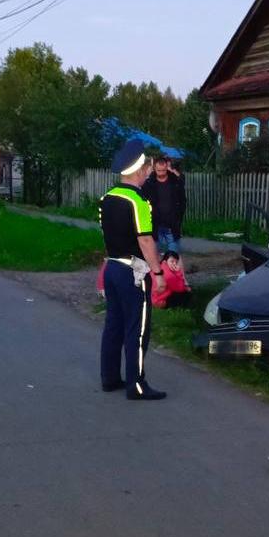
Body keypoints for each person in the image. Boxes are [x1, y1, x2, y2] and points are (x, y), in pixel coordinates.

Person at [99, 140, 168, 401]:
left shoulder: (108, 198)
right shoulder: (138, 200)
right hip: (133, 271)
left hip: (112, 267)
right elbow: (145, 240)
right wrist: (158, 273)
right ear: (138, 170)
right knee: (137, 329)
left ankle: (109, 378)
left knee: (113, 325)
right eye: (147, 168)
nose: (149, 172)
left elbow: (106, 235)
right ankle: (136, 385)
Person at [141, 155, 186, 260]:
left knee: (174, 259)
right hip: (155, 227)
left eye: (163, 170)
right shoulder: (148, 184)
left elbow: (183, 201)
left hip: (172, 226)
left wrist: (179, 218)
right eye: (158, 170)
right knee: (155, 260)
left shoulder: (176, 183)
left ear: (167, 168)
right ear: (154, 169)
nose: (161, 173)